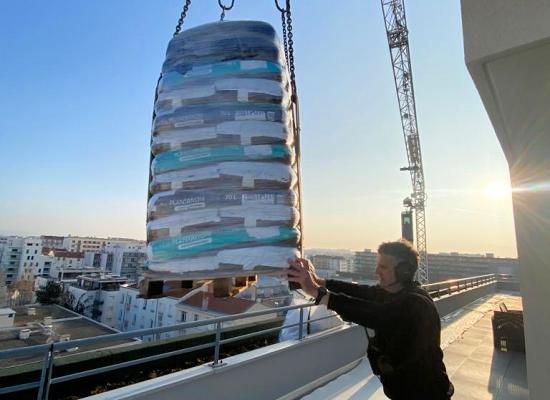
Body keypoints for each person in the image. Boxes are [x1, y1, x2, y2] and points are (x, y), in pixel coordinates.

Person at [287, 239, 454, 400]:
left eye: (383, 267)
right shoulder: (393, 292)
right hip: (405, 391)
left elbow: (371, 313)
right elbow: (360, 291)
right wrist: (319, 281)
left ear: (403, 271)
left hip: (426, 393)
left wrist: (318, 293)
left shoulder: (415, 304)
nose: (376, 272)